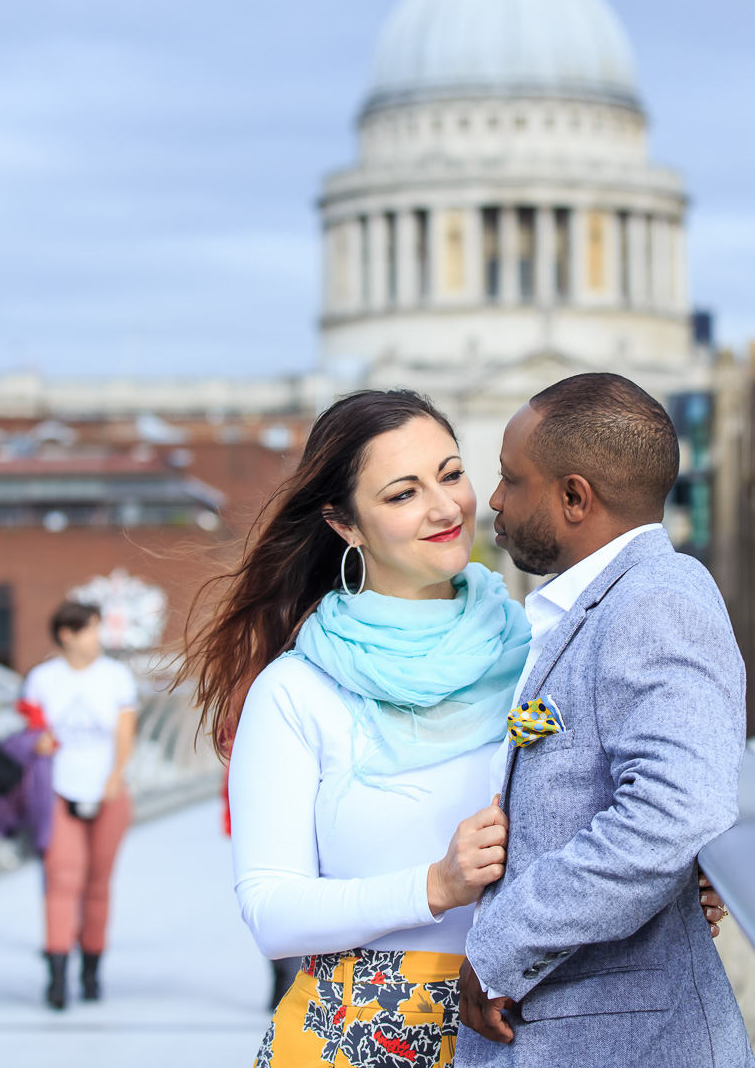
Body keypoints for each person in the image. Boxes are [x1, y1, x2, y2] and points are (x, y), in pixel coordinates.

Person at [186, 390, 525, 1068]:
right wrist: (436, 885)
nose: (444, 507)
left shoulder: (538, 652)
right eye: (403, 494)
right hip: (358, 1036)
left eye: (451, 474)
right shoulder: (297, 690)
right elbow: (271, 910)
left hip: (527, 1031)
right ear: (346, 525)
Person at [454, 373, 755, 1067]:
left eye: (510, 479)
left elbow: (675, 812)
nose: (494, 501)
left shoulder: (658, 603)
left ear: (574, 497)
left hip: (621, 1041)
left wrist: (501, 948)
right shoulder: (602, 607)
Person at [22, 600, 139, 1010]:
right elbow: (31, 729)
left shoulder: (116, 677)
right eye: (90, 629)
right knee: (62, 879)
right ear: (67, 635)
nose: (98, 638)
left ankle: (91, 970)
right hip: (58, 789)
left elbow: (126, 730)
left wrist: (114, 777)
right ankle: (56, 974)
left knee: (97, 883)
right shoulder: (41, 679)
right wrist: (38, 740)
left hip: (107, 791)